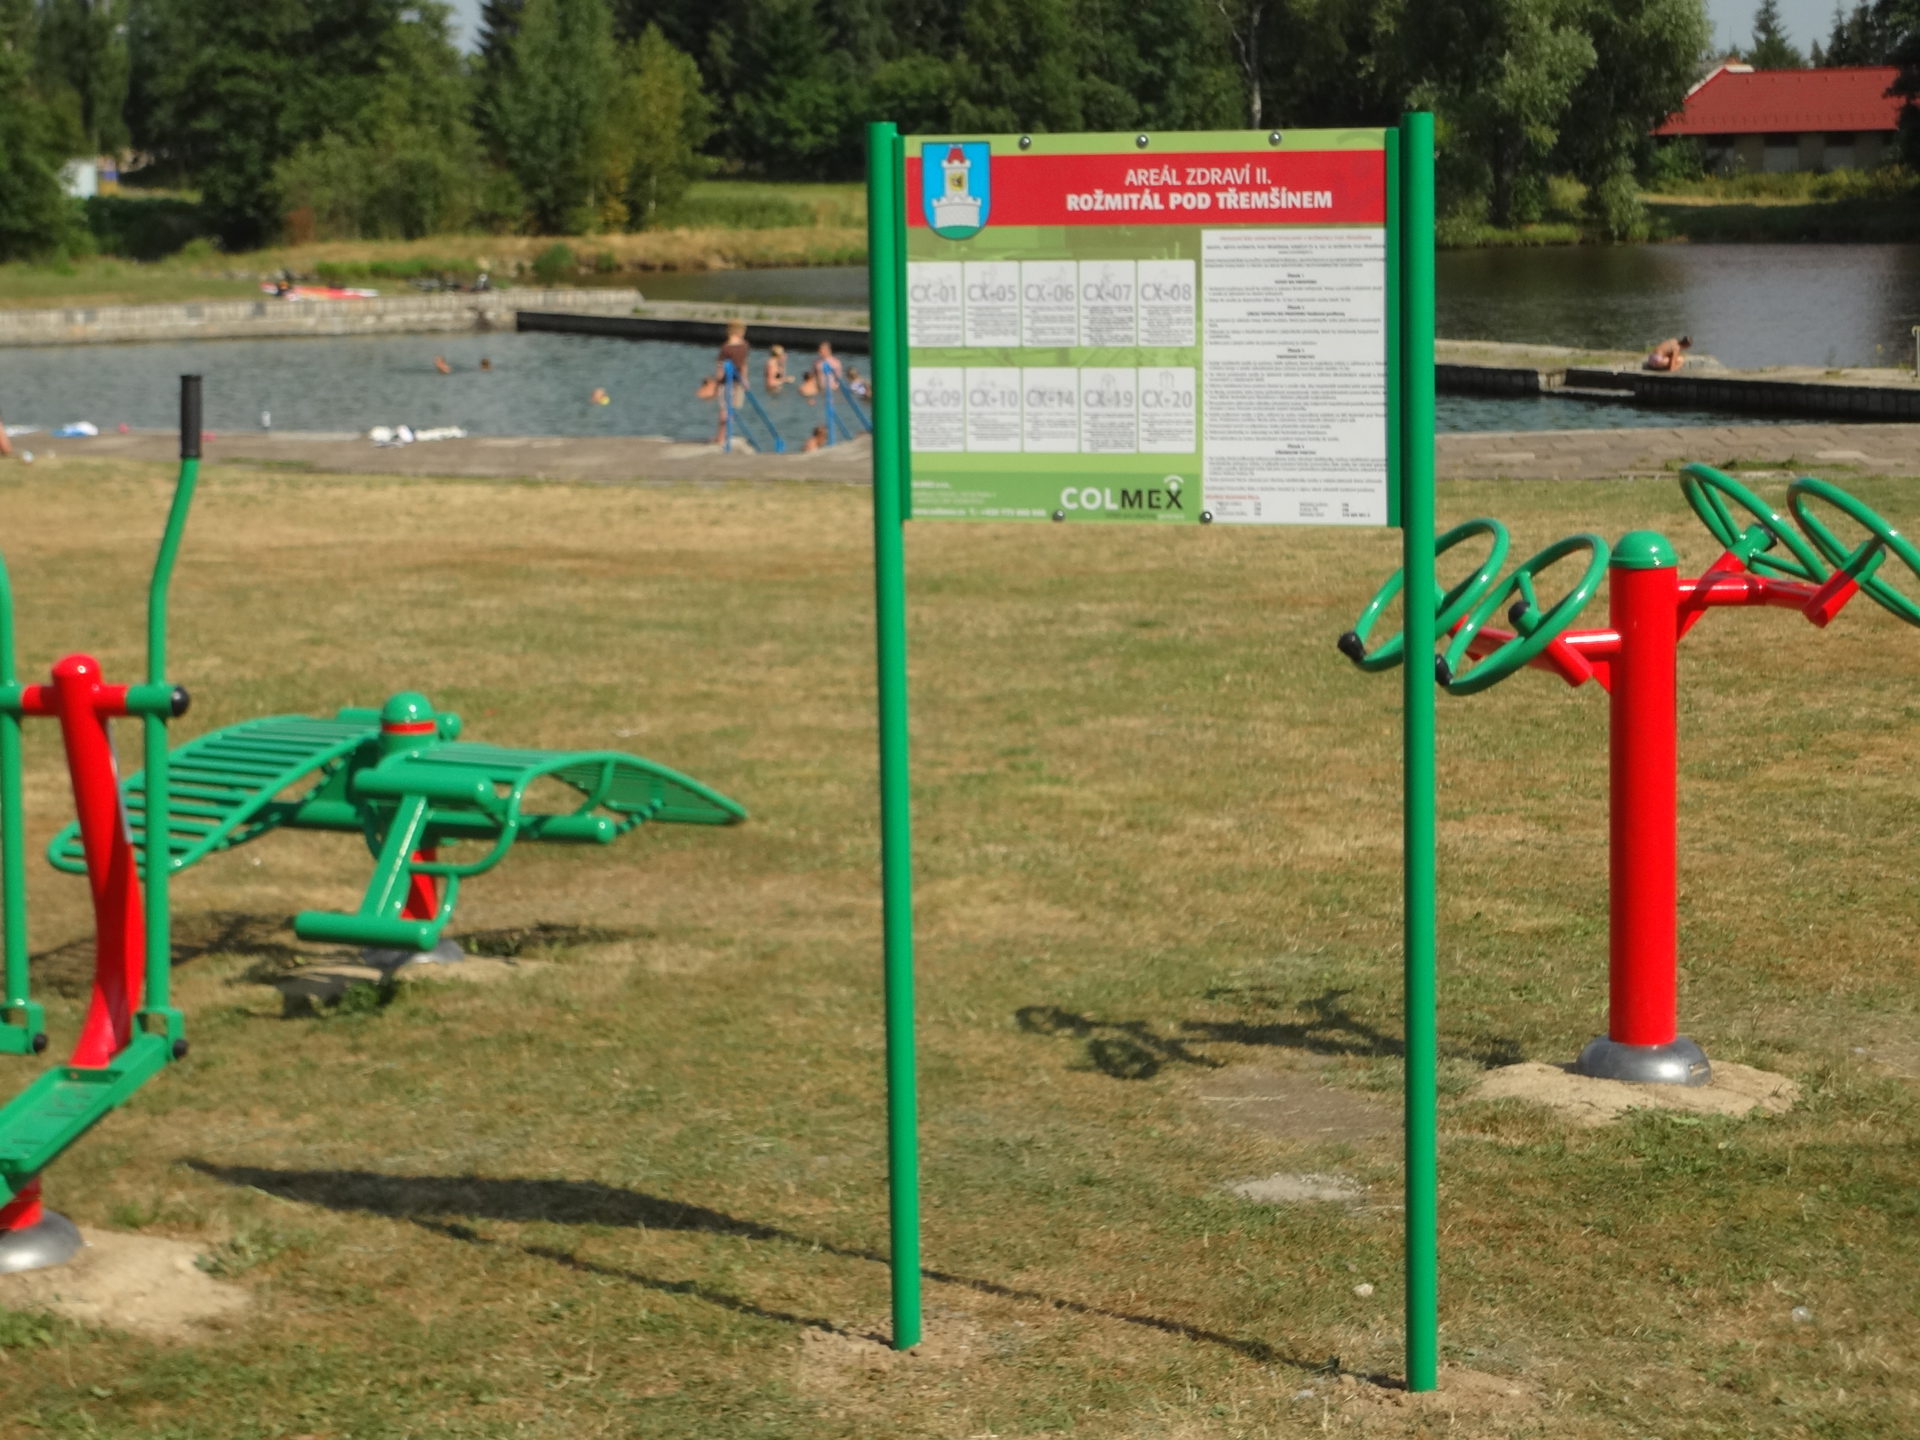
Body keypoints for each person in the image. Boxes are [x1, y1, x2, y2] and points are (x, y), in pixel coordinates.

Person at [718, 322, 750, 387]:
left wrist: (717, 382)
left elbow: (720, 367)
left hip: (726, 381)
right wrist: (745, 379)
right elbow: (744, 365)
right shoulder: (744, 346)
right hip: (739, 380)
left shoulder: (726, 347)